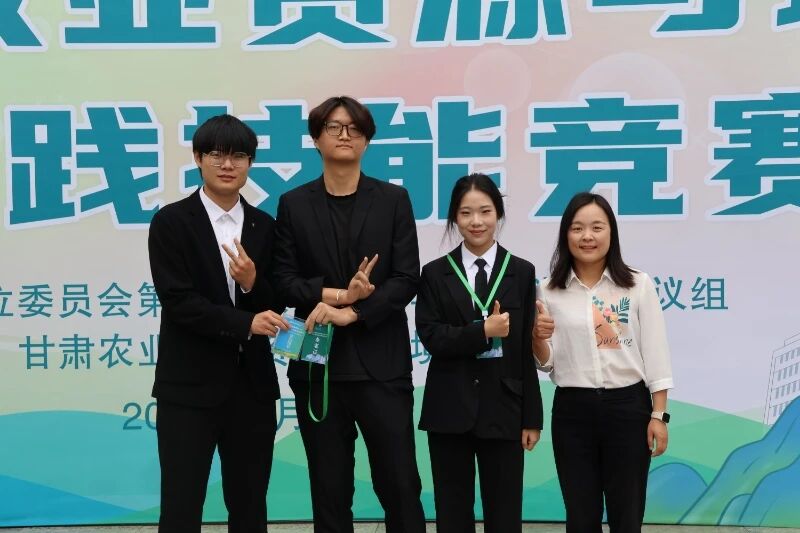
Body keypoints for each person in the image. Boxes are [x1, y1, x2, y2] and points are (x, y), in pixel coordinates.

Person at [273, 96, 426, 533]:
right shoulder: (293, 203)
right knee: (329, 489)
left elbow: (406, 278)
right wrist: (340, 295)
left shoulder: (393, 199)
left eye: (354, 128)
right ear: (316, 138)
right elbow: (283, 280)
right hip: (317, 366)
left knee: (400, 484)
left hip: (382, 367)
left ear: (367, 140)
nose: (345, 135)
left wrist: (354, 312)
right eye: (334, 127)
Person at [147, 114, 288, 533]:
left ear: (250, 163)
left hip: (252, 389)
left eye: (239, 156)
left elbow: (275, 303)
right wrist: (245, 323)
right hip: (188, 388)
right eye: (216, 154)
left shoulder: (266, 226)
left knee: (250, 505)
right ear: (197, 158)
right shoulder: (172, 221)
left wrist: (252, 282)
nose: (228, 165)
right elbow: (179, 302)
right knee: (181, 504)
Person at [532, 192, 673, 533]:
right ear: (566, 234)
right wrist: (536, 337)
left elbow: (656, 352)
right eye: (577, 228)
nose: (587, 236)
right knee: (581, 517)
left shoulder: (637, 285)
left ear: (611, 233)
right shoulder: (549, 290)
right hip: (572, 412)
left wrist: (658, 415)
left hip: (628, 409)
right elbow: (548, 363)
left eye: (597, 227)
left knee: (627, 515)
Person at [415, 173, 543, 533]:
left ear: (498, 214)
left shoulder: (521, 271)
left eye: (485, 211)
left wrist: (532, 417)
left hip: (505, 408)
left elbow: (524, 351)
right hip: (448, 408)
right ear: (454, 217)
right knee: (452, 511)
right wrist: (482, 331)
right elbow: (432, 337)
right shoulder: (435, 273)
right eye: (466, 212)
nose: (476, 221)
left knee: (505, 512)